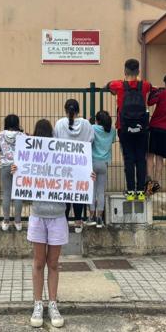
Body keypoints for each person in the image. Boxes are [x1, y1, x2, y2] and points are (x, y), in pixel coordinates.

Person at [15, 119, 95, 328]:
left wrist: (88, 177)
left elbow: (78, 174)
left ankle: (52, 303)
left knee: (50, 263)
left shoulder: (63, 156)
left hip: (58, 216)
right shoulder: (30, 155)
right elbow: (22, 181)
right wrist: (18, 171)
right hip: (39, 216)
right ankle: (37, 304)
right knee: (41, 263)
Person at [107, 58, 153, 202]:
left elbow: (109, 85)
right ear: (138, 71)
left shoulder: (119, 85)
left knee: (128, 159)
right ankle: (140, 192)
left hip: (124, 127)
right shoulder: (145, 85)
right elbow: (151, 87)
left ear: (125, 71)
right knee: (141, 159)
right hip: (141, 128)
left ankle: (130, 191)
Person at [54, 99, 95, 234]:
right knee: (78, 192)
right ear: (78, 110)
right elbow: (90, 140)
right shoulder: (86, 124)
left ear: (65, 110)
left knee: (65, 192)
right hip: (82, 164)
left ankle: (64, 221)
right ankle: (78, 222)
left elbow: (55, 141)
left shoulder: (60, 124)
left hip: (64, 164)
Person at [0, 114, 24, 231]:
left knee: (6, 193)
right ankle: (18, 221)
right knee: (18, 193)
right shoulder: (22, 135)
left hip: (5, 165)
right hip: (19, 166)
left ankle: (6, 221)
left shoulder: (0, 135)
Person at [87, 110, 116, 228]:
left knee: (91, 191)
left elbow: (89, 137)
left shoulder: (93, 128)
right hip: (104, 163)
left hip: (92, 162)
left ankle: (91, 217)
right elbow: (113, 141)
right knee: (100, 191)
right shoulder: (112, 131)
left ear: (97, 120)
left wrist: (89, 121)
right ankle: (99, 218)